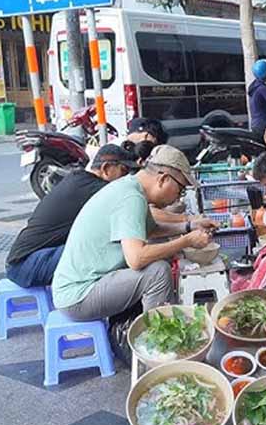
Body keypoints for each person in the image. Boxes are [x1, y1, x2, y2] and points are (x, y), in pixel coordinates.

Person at [52, 145, 219, 351]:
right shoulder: (131, 198)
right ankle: (160, 347)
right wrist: (187, 241)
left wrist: (189, 226)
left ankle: (158, 334)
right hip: (78, 295)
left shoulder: (130, 187)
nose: (179, 197)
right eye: (180, 189)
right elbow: (136, 258)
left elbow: (151, 230)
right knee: (157, 272)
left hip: (80, 286)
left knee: (159, 256)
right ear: (163, 179)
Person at [5, 145, 140, 288]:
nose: (125, 179)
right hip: (25, 265)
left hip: (32, 259)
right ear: (106, 169)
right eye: (124, 172)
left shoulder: (80, 180)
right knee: (106, 251)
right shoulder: (97, 189)